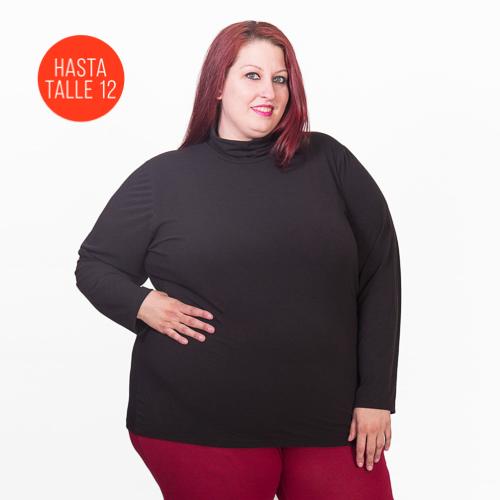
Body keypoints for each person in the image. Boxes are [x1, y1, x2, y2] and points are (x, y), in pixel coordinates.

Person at [75, 20, 401, 500]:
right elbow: (95, 265)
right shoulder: (164, 178)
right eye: (252, 75)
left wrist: (376, 396)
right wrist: (142, 304)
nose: (268, 91)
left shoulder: (330, 162)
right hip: (197, 422)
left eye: (280, 78)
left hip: (330, 417)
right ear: (217, 85)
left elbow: (380, 273)